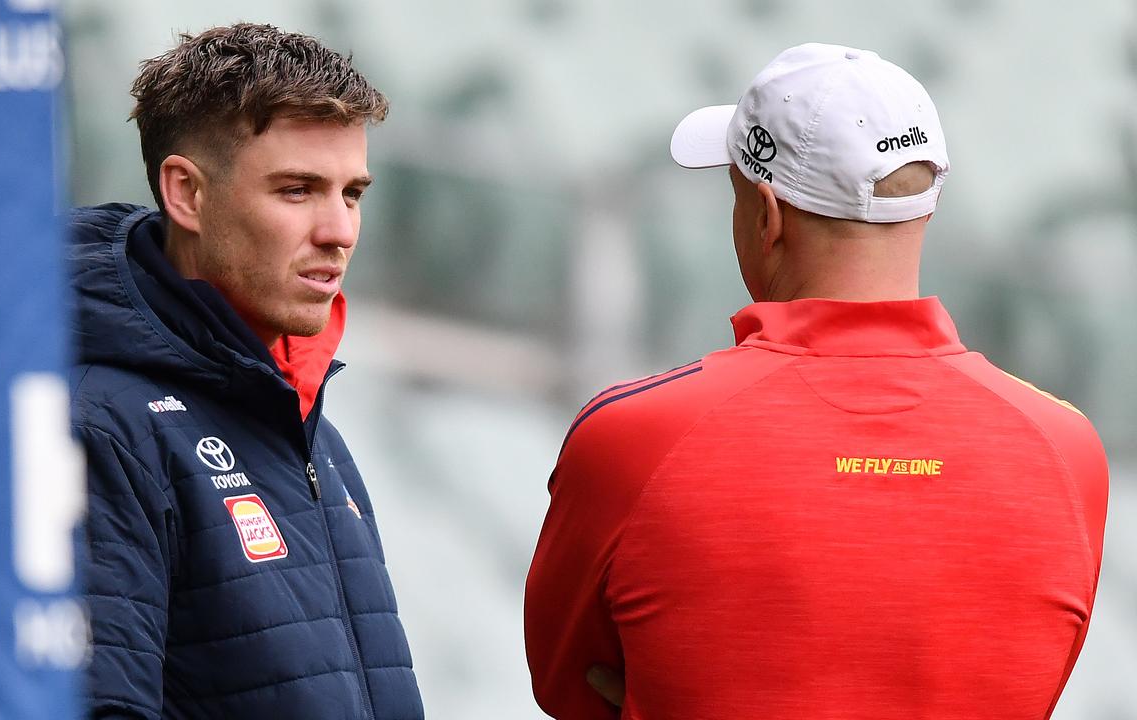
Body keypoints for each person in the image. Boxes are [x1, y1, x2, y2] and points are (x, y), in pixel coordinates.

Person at [524, 43, 1109, 719]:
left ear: (766, 218)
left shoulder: (630, 438)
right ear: (924, 206)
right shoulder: (1067, 451)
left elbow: (571, 690)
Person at [68, 24, 423, 718]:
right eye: (298, 190)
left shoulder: (307, 423)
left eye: (352, 193)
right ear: (187, 193)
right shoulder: (100, 428)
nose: (339, 231)